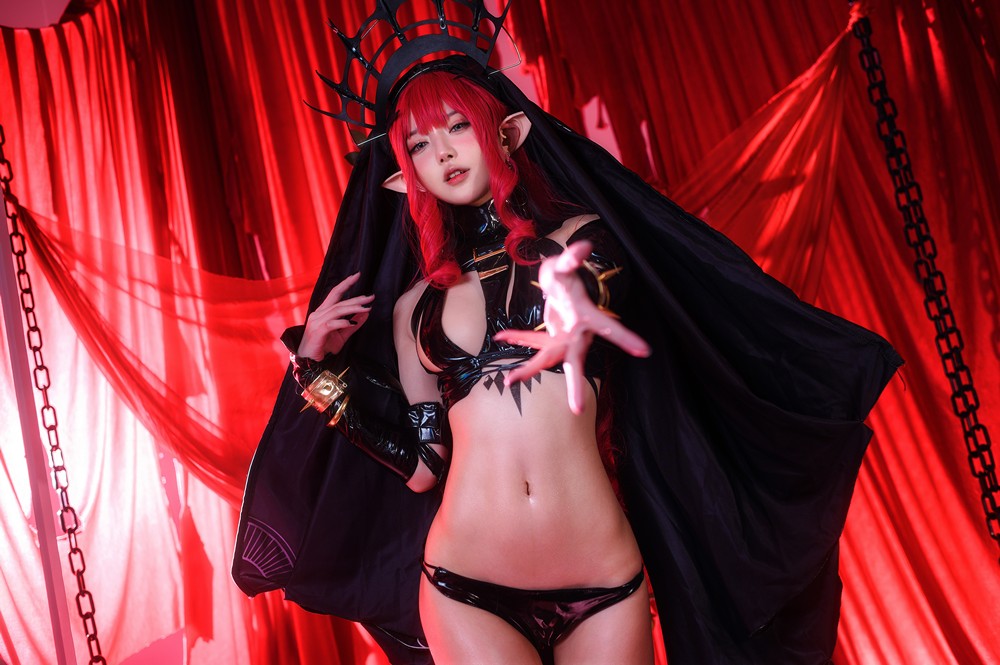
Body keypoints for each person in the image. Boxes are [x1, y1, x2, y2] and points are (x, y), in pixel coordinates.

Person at [233, 12, 902, 665]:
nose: (443, 152)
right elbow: (424, 466)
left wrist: (580, 314)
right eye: (419, 144)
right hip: (465, 582)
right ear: (405, 174)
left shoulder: (581, 239)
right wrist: (315, 374)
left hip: (602, 580)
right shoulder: (415, 309)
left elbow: (599, 282)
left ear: (506, 133)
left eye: (458, 125)